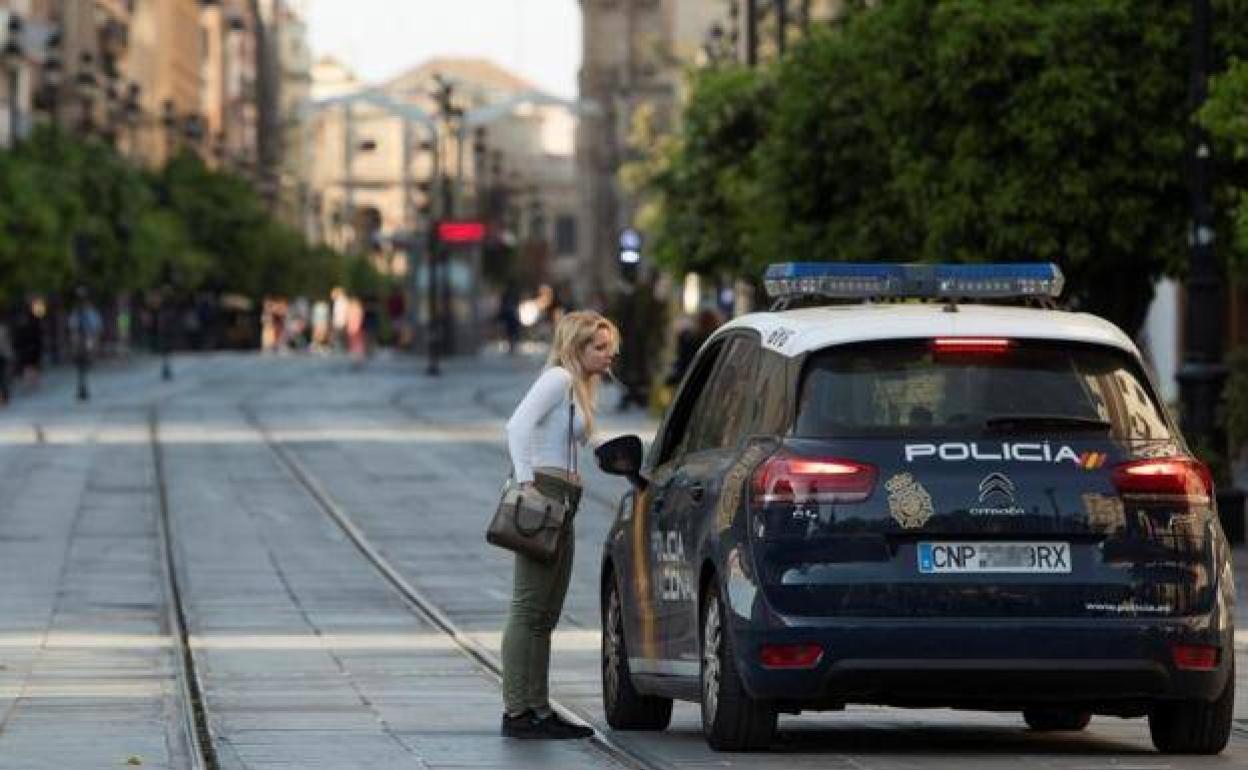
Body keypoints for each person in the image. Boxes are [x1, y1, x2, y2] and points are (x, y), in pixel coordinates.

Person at [500, 310, 619, 740]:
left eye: (611, 348)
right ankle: (517, 710)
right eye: (600, 348)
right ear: (576, 346)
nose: (610, 356)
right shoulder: (558, 380)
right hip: (545, 496)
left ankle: (537, 706)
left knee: (546, 612)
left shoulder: (579, 388)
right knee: (529, 606)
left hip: (564, 501)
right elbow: (517, 426)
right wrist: (528, 483)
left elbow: (584, 441)